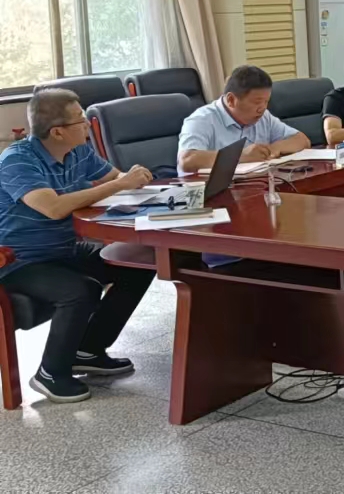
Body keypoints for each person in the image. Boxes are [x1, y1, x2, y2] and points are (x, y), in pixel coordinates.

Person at [0, 88, 157, 403]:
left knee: (136, 263)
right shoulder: (17, 160)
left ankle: (88, 350)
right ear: (57, 131)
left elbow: (118, 180)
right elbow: (53, 207)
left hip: (63, 248)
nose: (87, 124)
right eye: (80, 119)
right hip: (18, 260)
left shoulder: (78, 151)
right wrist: (119, 183)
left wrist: (137, 181)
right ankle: (50, 373)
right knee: (80, 289)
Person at [177, 64, 310, 172]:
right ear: (231, 100)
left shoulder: (264, 117)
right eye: (257, 102)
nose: (262, 108)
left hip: (252, 186)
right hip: (206, 193)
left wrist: (273, 148)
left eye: (266, 101)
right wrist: (240, 156)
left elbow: (302, 140)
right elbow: (187, 160)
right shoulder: (201, 120)